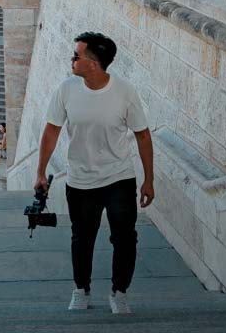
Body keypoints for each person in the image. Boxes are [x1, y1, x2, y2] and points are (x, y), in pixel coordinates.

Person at [35, 32, 154, 316]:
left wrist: (149, 179)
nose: (72, 60)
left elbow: (143, 136)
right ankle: (81, 290)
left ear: (94, 63)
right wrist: (40, 171)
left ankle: (119, 292)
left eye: (77, 56)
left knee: (125, 239)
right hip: (80, 180)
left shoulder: (125, 92)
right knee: (82, 239)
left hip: (119, 178)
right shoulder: (66, 89)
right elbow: (51, 131)